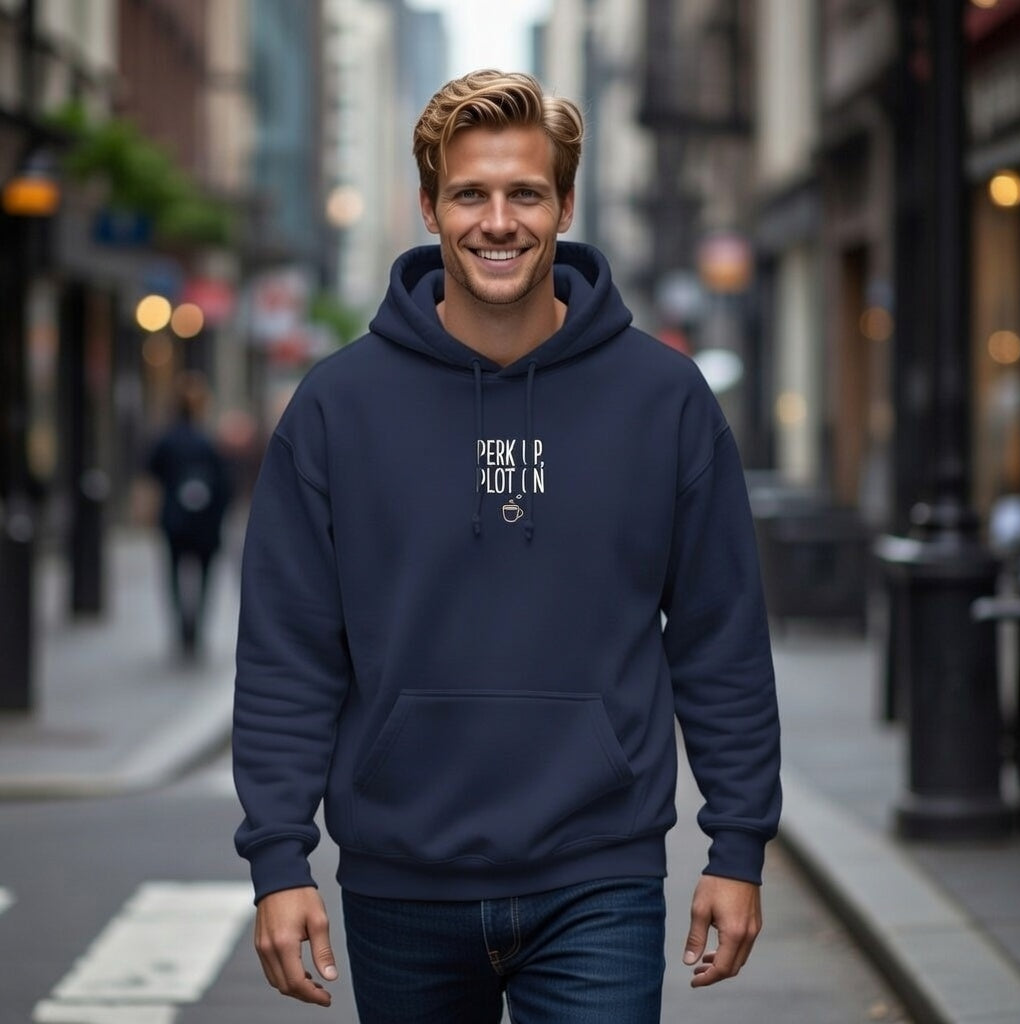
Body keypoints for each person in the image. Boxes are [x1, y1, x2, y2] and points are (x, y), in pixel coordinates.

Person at [233, 69, 782, 1022]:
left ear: (565, 204)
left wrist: (737, 844)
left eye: (525, 193)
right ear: (429, 207)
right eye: (469, 194)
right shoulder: (337, 406)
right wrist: (278, 859)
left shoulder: (664, 400)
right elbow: (288, 650)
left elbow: (719, 637)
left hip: (597, 876)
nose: (498, 221)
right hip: (399, 882)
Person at [147, 370, 232, 658]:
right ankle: (195, 629)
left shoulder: (166, 440)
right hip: (206, 524)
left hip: (174, 520)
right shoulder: (210, 443)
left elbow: (151, 478)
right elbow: (225, 486)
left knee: (173, 574)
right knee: (205, 577)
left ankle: (182, 628)